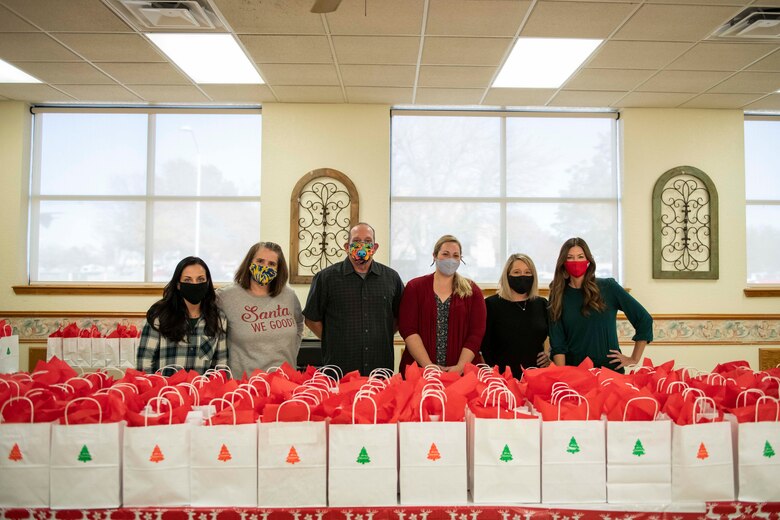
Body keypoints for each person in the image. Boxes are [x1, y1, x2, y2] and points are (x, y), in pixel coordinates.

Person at [303, 222, 404, 376]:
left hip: (380, 368)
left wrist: (379, 334)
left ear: (375, 247)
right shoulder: (325, 278)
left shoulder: (391, 278)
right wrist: (334, 340)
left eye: (368, 242)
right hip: (339, 369)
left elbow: (400, 317)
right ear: (346, 246)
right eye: (356, 241)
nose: (362, 246)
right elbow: (311, 319)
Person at [548, 237, 653, 372]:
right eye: (570, 257)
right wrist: (563, 375)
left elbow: (644, 319)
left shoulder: (608, 287)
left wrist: (633, 359)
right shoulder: (557, 295)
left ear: (588, 261)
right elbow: (558, 343)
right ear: (563, 262)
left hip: (610, 372)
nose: (576, 262)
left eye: (580, 257)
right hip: (575, 373)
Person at [398, 235, 486, 374]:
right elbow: (408, 329)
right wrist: (428, 366)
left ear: (460, 259)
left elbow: (476, 333)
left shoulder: (472, 290)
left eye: (455, 255)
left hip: (463, 374)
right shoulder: (415, 287)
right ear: (434, 256)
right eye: (445, 254)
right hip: (420, 372)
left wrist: (460, 367)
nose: (450, 259)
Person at [218, 242, 303, 377]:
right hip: (245, 387)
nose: (265, 267)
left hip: (285, 382)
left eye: (272, 264)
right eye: (260, 261)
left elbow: (299, 324)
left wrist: (291, 350)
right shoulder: (225, 296)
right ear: (249, 262)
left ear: (279, 269)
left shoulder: (289, 295)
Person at [137, 256, 228, 375]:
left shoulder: (218, 318)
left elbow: (220, 366)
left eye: (200, 279)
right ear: (178, 285)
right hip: (164, 391)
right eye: (188, 280)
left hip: (201, 391)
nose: (195, 284)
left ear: (207, 283)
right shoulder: (159, 316)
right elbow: (144, 364)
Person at [481, 253, 550, 376]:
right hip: (503, 378)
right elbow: (485, 346)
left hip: (536, 376)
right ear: (507, 276)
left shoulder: (542, 304)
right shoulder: (491, 305)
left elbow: (558, 336)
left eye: (528, 272)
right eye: (517, 272)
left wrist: (549, 354)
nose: (522, 276)